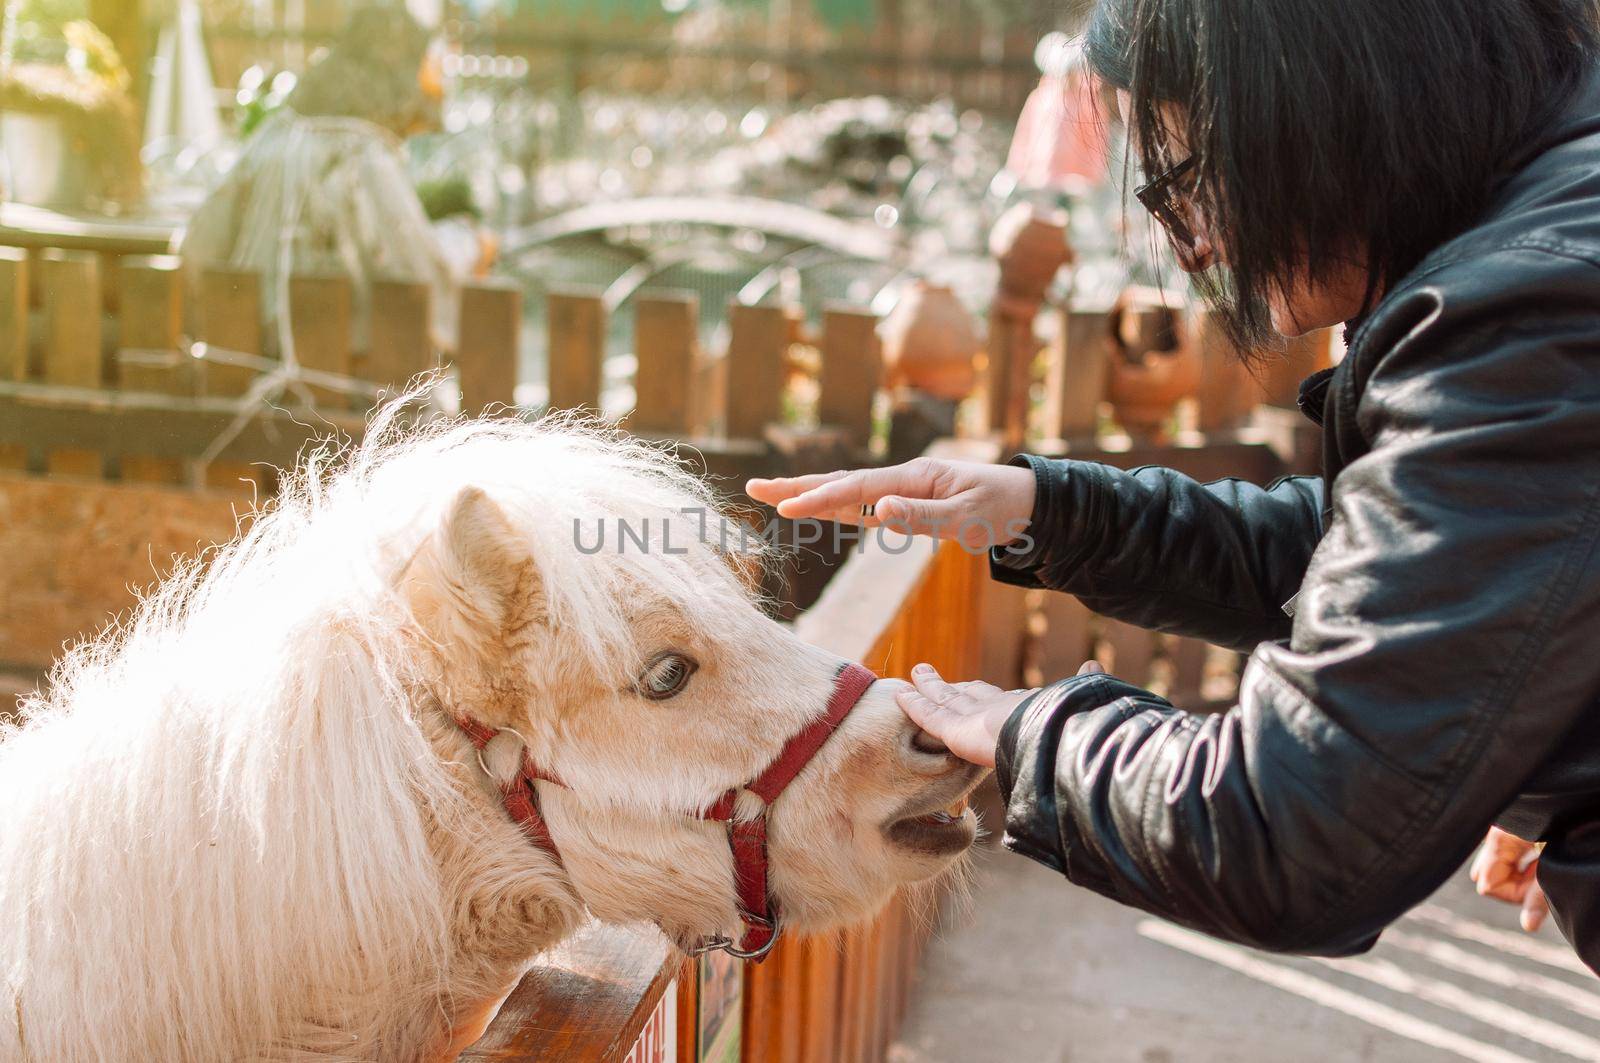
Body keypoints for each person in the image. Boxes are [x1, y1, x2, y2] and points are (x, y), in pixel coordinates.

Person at [749, 0, 1600, 972]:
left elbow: (1295, 833)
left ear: (1324, 107)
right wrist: (1052, 512)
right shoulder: (1557, 220)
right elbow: (1401, 557)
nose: (1191, 247)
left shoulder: (1535, 311)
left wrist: (1022, 729)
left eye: (1190, 181)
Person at [181, 6, 487, 366]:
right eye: (426, 62)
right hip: (346, 386)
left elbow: (197, 248)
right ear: (397, 70)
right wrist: (472, 248)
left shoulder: (273, 137)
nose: (435, 79)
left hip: (249, 366)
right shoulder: (364, 154)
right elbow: (419, 278)